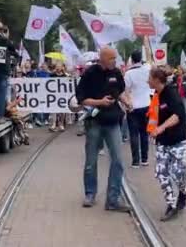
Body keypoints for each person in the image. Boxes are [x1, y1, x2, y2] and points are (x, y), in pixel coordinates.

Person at [76, 47, 132, 212]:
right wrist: (99, 102)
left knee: (118, 161)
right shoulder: (89, 74)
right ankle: (90, 193)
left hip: (113, 121)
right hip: (94, 122)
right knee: (91, 161)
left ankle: (113, 199)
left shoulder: (116, 73)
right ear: (102, 59)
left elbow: (119, 91)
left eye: (115, 58)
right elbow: (81, 99)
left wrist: (125, 101)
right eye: (112, 58)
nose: (114, 61)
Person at [147, 67, 186, 222]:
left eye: (149, 78)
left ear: (157, 80)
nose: (147, 81)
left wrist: (161, 128)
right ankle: (171, 205)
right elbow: (153, 115)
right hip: (162, 142)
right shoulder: (155, 95)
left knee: (179, 174)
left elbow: (177, 115)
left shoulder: (171, 93)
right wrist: (152, 130)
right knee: (161, 173)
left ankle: (183, 192)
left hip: (178, 141)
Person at [124, 50, 151, 168]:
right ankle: (145, 159)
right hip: (146, 104)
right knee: (144, 133)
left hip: (133, 106)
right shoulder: (147, 70)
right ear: (141, 59)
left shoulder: (128, 74)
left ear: (132, 60)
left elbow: (126, 90)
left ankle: (135, 160)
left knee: (134, 134)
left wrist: (127, 103)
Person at [49, 63, 69, 132]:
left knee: (62, 110)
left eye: (59, 66)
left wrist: (66, 73)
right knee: (54, 110)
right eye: (57, 66)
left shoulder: (65, 75)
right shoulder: (52, 75)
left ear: (62, 68)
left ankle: (61, 124)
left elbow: (70, 80)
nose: (58, 68)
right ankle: (54, 124)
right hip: (54, 94)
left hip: (62, 95)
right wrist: (53, 72)